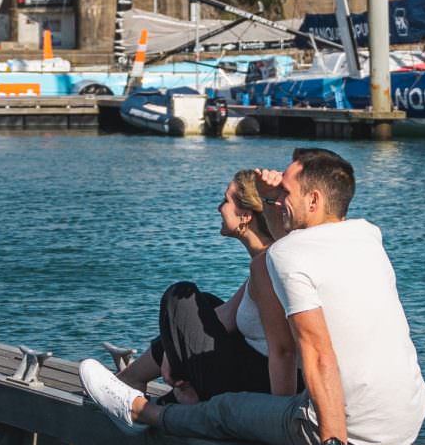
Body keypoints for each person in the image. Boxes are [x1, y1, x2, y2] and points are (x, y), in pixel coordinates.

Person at [80, 147, 425, 445]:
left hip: (350, 433)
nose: (278, 196)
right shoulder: (367, 238)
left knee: (227, 410)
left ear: (313, 199)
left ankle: (139, 411)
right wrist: (275, 193)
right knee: (214, 333)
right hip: (404, 426)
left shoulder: (289, 256)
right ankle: (147, 391)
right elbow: (294, 242)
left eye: (285, 191)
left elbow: (316, 352)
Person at [114, 170, 294, 405]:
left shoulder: (270, 262)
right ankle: (132, 379)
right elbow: (225, 315)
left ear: (245, 216)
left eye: (226, 201)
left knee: (179, 297)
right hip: (255, 375)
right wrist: (172, 348)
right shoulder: (267, 259)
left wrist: (175, 350)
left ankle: (166, 390)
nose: (219, 208)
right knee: (205, 304)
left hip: (260, 388)